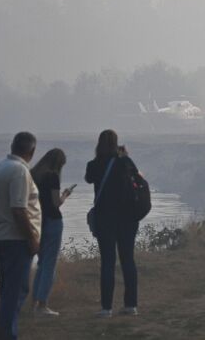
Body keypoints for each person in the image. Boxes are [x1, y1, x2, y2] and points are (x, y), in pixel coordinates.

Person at [0, 132, 41, 340]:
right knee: (15, 292)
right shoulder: (20, 171)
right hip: (15, 240)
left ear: (12, 146)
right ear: (32, 151)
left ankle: (5, 332)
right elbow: (19, 209)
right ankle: (6, 335)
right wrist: (32, 238)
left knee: (8, 292)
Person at [85, 129, 140, 318]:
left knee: (107, 261)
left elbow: (88, 178)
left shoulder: (94, 165)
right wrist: (124, 155)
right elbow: (137, 176)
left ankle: (106, 308)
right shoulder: (124, 162)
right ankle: (131, 305)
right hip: (128, 219)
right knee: (128, 260)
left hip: (104, 219)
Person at [29, 148, 71, 317]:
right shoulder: (52, 177)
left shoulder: (33, 175)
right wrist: (65, 196)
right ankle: (42, 304)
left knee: (41, 263)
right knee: (49, 264)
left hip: (38, 222)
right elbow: (55, 204)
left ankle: (34, 303)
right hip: (53, 222)